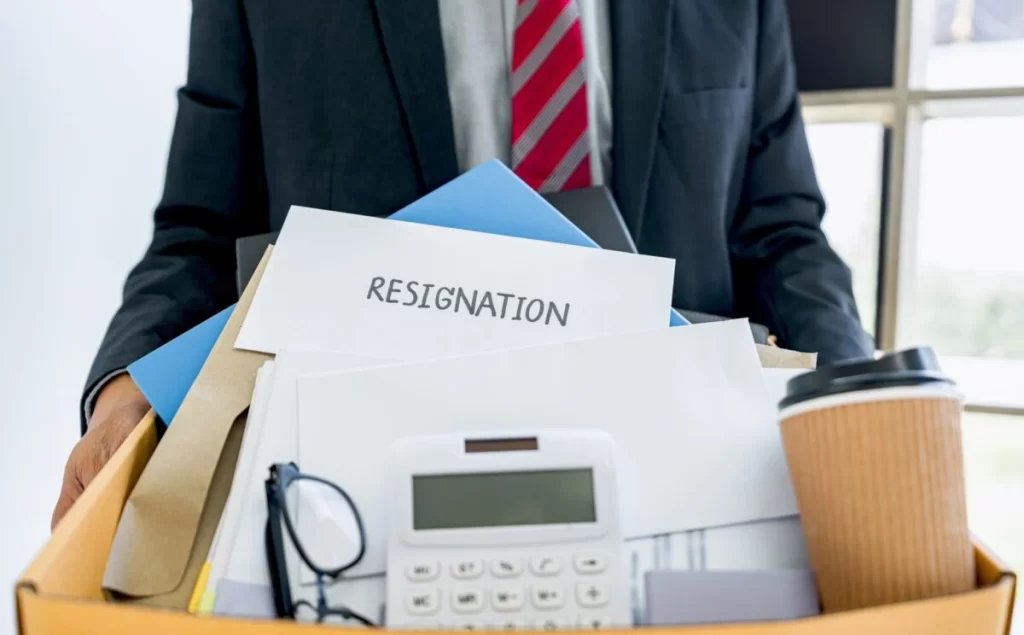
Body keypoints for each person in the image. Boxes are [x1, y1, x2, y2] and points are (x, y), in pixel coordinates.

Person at [52, 0, 873, 528]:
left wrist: (862, 399)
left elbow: (781, 231)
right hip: (355, 503)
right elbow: (198, 229)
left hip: (674, 489)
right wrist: (127, 383)